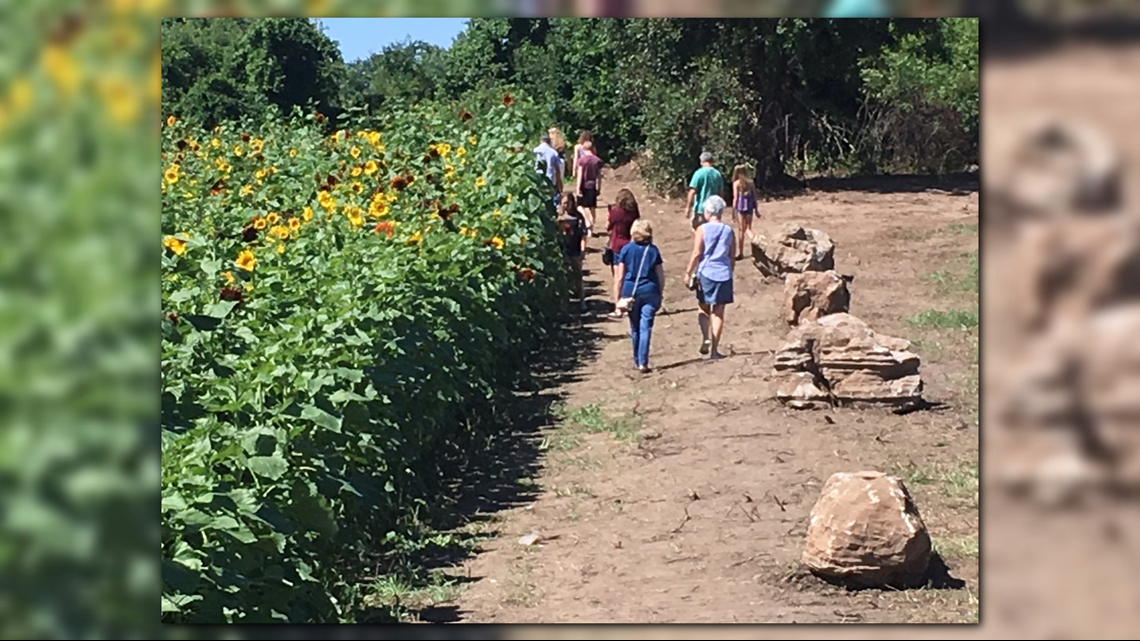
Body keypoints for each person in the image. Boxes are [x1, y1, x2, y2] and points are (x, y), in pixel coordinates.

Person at [684, 195, 735, 360]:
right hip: (724, 274)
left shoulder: (702, 229)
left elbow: (697, 252)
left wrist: (688, 272)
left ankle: (706, 336)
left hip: (706, 273)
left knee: (703, 308)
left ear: (708, 212)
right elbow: (732, 255)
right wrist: (730, 271)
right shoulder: (728, 231)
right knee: (718, 313)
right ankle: (714, 350)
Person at [614, 219, 665, 374]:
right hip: (650, 290)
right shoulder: (653, 250)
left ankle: (637, 359)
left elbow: (619, 277)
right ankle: (643, 362)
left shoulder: (626, 249)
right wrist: (660, 293)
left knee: (634, 326)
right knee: (646, 326)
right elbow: (660, 275)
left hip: (630, 291)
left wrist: (617, 299)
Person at [604, 188, 640, 319]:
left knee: (618, 278)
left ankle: (618, 307)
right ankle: (629, 302)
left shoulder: (615, 212)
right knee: (628, 276)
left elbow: (607, 226)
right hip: (630, 245)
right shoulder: (634, 212)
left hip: (617, 247)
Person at [556, 192, 588, 311]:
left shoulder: (578, 217)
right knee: (563, 276)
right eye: (564, 203)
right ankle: (564, 302)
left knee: (578, 275)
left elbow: (583, 235)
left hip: (575, 249)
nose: (566, 205)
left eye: (568, 203)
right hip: (562, 250)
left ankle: (582, 301)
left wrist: (583, 250)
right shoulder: (558, 218)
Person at [685, 151, 726, 232]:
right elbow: (721, 192)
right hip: (713, 209)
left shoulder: (698, 173)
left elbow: (692, 192)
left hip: (700, 208)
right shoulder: (717, 174)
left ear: (701, 161)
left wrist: (688, 207)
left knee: (698, 231)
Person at [730, 163, 759, 260]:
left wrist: (733, 212)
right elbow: (754, 197)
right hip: (750, 207)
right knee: (749, 228)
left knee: (741, 230)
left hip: (741, 208)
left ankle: (741, 253)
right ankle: (756, 245)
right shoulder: (751, 182)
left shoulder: (736, 183)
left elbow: (735, 199)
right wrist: (756, 210)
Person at [575, 141, 604, 237]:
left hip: (584, 185)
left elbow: (580, 175)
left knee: (579, 206)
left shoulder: (582, 160)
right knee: (592, 207)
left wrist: (578, 188)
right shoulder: (597, 161)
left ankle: (587, 220)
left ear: (584, 149)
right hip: (592, 185)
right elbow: (599, 176)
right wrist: (599, 187)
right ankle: (590, 231)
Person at [533, 133, 564, 208]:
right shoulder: (553, 152)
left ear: (541, 141)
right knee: (552, 198)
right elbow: (557, 169)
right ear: (549, 141)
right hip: (550, 178)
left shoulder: (535, 151)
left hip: (536, 178)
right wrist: (559, 182)